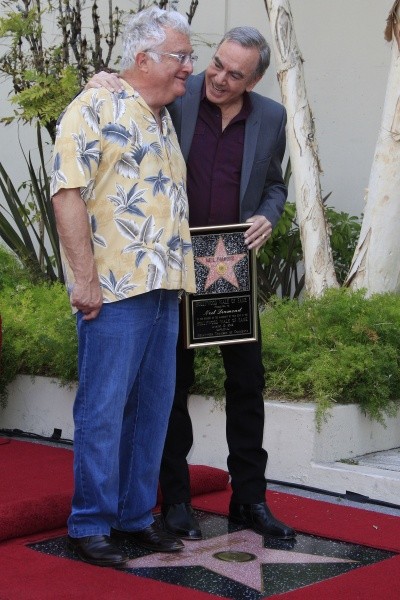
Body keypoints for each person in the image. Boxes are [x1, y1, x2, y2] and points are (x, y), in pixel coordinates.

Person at [89, 26, 295, 542]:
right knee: (171, 386)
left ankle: (250, 500)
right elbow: (131, 85)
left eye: (235, 74)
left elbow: (274, 182)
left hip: (229, 266)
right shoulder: (178, 94)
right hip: (174, 265)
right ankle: (175, 500)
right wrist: (103, 79)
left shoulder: (271, 117)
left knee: (246, 385)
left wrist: (269, 214)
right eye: (218, 65)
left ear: (257, 79)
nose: (219, 79)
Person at [51, 7, 197, 567]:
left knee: (153, 408)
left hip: (164, 285)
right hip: (113, 288)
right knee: (105, 408)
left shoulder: (163, 114)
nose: (191, 66)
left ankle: (135, 518)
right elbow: (68, 192)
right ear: (144, 59)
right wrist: (84, 279)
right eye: (181, 56)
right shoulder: (95, 105)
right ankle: (89, 525)